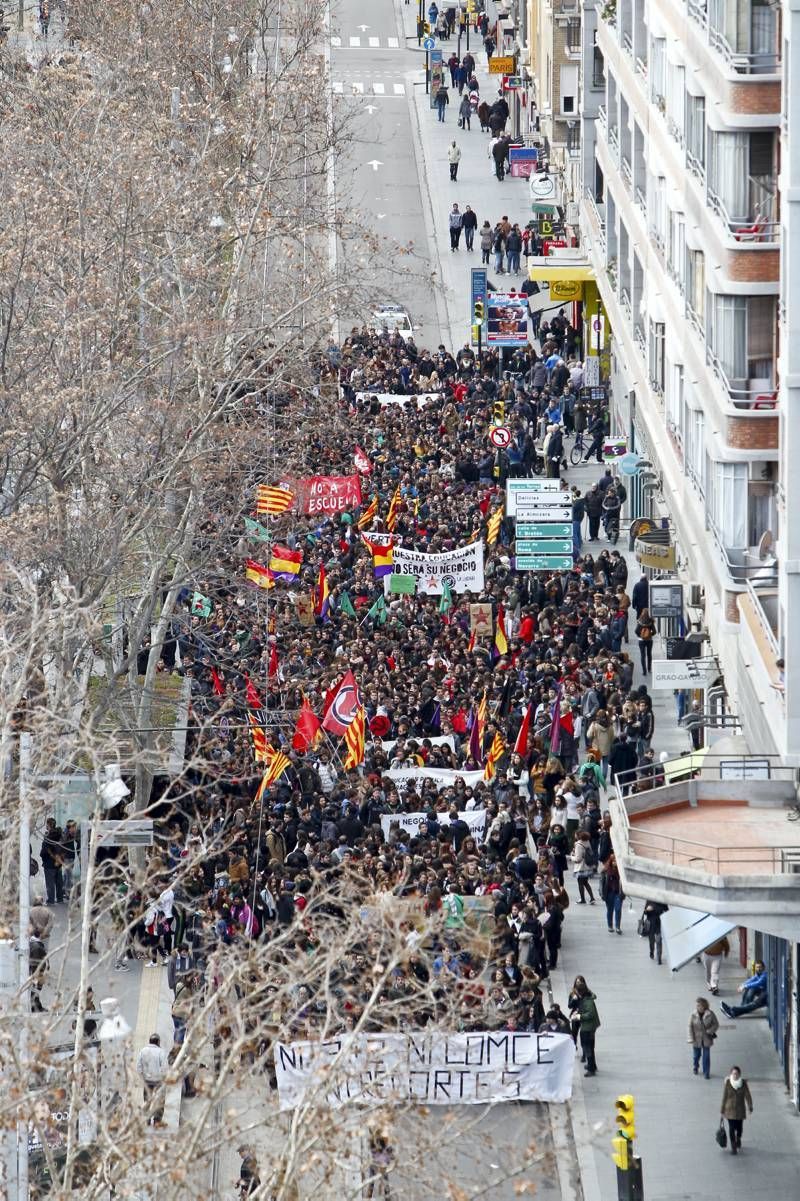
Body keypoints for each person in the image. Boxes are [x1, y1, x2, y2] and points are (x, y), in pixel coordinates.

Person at [135, 1033, 169, 1126]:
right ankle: (157, 1121)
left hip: (147, 1081)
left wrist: (142, 1078)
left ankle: (148, 1120)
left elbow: (138, 1067)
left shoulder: (143, 1051)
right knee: (160, 1101)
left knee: (147, 1101)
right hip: (158, 1082)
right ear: (158, 1042)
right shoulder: (161, 1052)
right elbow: (165, 1068)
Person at [720, 1066, 753, 1154]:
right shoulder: (728, 1083)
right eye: (733, 1074)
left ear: (739, 1074)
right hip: (729, 1110)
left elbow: (747, 1096)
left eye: (736, 1074)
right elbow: (724, 1097)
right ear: (731, 1074)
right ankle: (733, 1146)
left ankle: (738, 1137)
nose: (735, 1075)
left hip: (740, 1110)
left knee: (739, 1128)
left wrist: (750, 1107)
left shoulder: (743, 1083)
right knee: (731, 1128)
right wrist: (722, 1110)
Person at [688, 996, 719, 1079]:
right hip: (696, 1039)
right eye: (697, 1005)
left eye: (700, 1005)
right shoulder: (693, 1014)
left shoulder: (710, 1014)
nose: (698, 1007)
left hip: (706, 1039)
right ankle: (696, 1066)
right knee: (696, 1056)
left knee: (706, 1057)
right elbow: (690, 1026)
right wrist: (691, 1038)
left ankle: (706, 1072)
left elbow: (716, 1024)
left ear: (704, 1006)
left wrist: (710, 1030)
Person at [575, 978, 600, 1076]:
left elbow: (590, 1014)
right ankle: (592, 1065)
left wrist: (579, 1016)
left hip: (588, 1027)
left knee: (587, 1047)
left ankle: (591, 1068)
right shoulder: (586, 999)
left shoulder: (588, 1001)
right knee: (589, 1046)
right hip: (588, 1026)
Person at [600, 852, 624, 933]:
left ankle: (618, 927)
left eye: (616, 861)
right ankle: (610, 926)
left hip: (618, 892)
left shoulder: (621, 872)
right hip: (609, 892)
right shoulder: (606, 871)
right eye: (613, 861)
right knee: (610, 910)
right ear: (610, 861)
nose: (615, 863)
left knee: (618, 909)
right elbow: (601, 883)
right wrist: (602, 893)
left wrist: (624, 893)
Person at [643, 900, 667, 964]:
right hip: (650, 923)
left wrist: (654, 909)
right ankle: (651, 952)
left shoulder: (662, 900)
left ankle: (659, 958)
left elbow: (666, 909)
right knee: (651, 940)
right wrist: (647, 910)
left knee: (659, 940)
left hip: (659, 923)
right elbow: (645, 912)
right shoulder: (649, 900)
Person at [635, 607, 656, 675]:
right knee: (649, 654)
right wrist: (649, 635)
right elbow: (654, 632)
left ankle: (644, 671)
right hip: (649, 640)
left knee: (642, 655)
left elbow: (636, 631)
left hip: (641, 640)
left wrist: (641, 636)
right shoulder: (651, 621)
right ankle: (649, 669)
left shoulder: (640, 621)